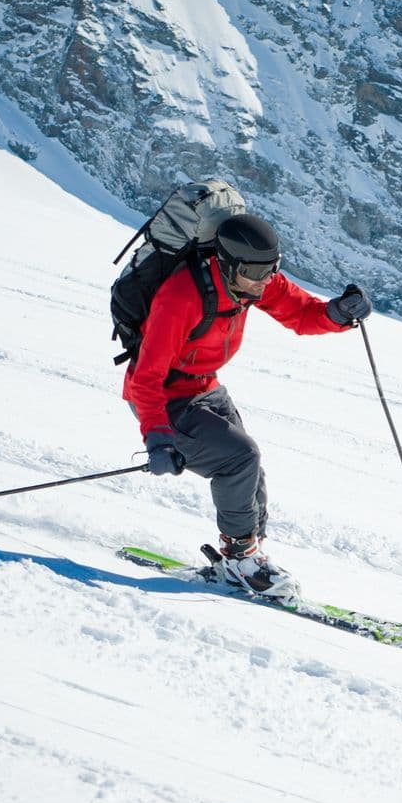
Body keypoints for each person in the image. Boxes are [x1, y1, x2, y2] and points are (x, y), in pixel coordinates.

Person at [124, 213, 372, 599]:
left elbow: (303, 313)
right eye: (253, 272)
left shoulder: (253, 283)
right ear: (225, 263)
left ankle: (246, 557)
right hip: (165, 398)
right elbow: (146, 377)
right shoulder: (181, 297)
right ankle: (242, 561)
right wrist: (158, 438)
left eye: (270, 270)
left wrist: (338, 314)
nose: (263, 281)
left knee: (251, 472)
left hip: (205, 386)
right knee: (240, 458)